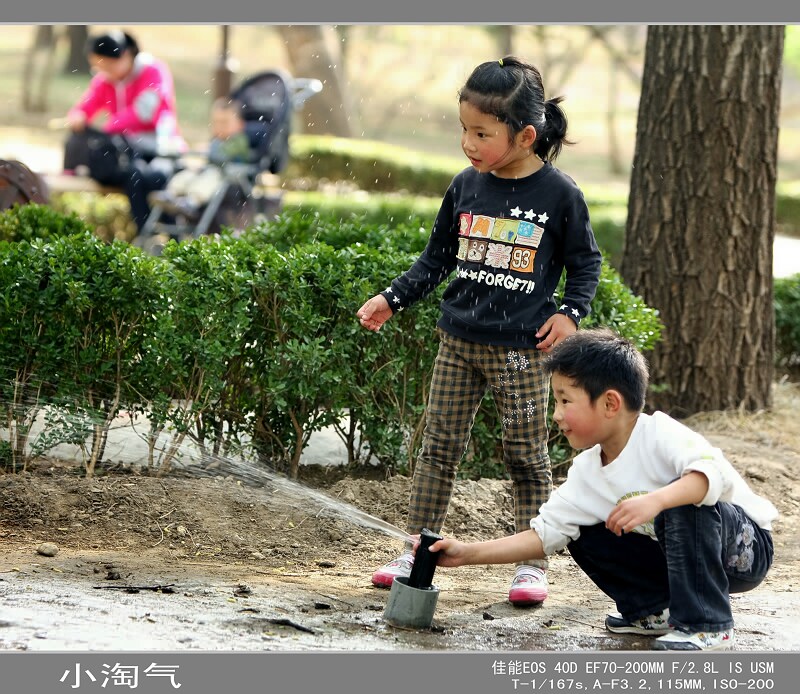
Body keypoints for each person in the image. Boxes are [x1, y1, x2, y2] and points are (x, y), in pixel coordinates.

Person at [356, 56, 602, 606]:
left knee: (524, 453)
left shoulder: (559, 195)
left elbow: (586, 264)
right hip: (458, 342)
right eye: (464, 129)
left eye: (482, 133)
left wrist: (571, 314)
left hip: (520, 351)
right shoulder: (466, 185)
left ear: (526, 136)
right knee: (438, 448)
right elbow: (436, 258)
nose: (468, 143)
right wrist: (391, 298)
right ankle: (418, 548)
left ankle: (532, 563)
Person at [426, 328, 778, 651]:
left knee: (683, 500)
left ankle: (708, 623)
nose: (556, 415)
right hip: (676, 559)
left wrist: (655, 501)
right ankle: (654, 610)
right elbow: (545, 534)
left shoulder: (661, 435)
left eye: (565, 401)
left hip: (742, 551)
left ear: (610, 403)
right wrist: (464, 553)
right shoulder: (588, 471)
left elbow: (711, 477)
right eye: (555, 402)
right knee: (580, 531)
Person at [63, 29, 184, 234]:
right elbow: (87, 104)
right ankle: (148, 236)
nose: (103, 71)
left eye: (107, 65)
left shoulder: (153, 71)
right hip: (127, 150)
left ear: (126, 55)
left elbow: (143, 112)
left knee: (148, 179)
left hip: (159, 148)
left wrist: (109, 128)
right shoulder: (105, 80)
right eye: (98, 66)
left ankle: (169, 234)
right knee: (131, 177)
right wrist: (78, 115)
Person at [155, 98, 252, 213]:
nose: (220, 127)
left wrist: (206, 150)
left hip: (230, 175)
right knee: (189, 173)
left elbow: (224, 154)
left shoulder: (239, 140)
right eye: (216, 122)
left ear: (240, 125)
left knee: (210, 178)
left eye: (225, 122)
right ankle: (171, 193)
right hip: (211, 170)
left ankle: (192, 201)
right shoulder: (216, 141)